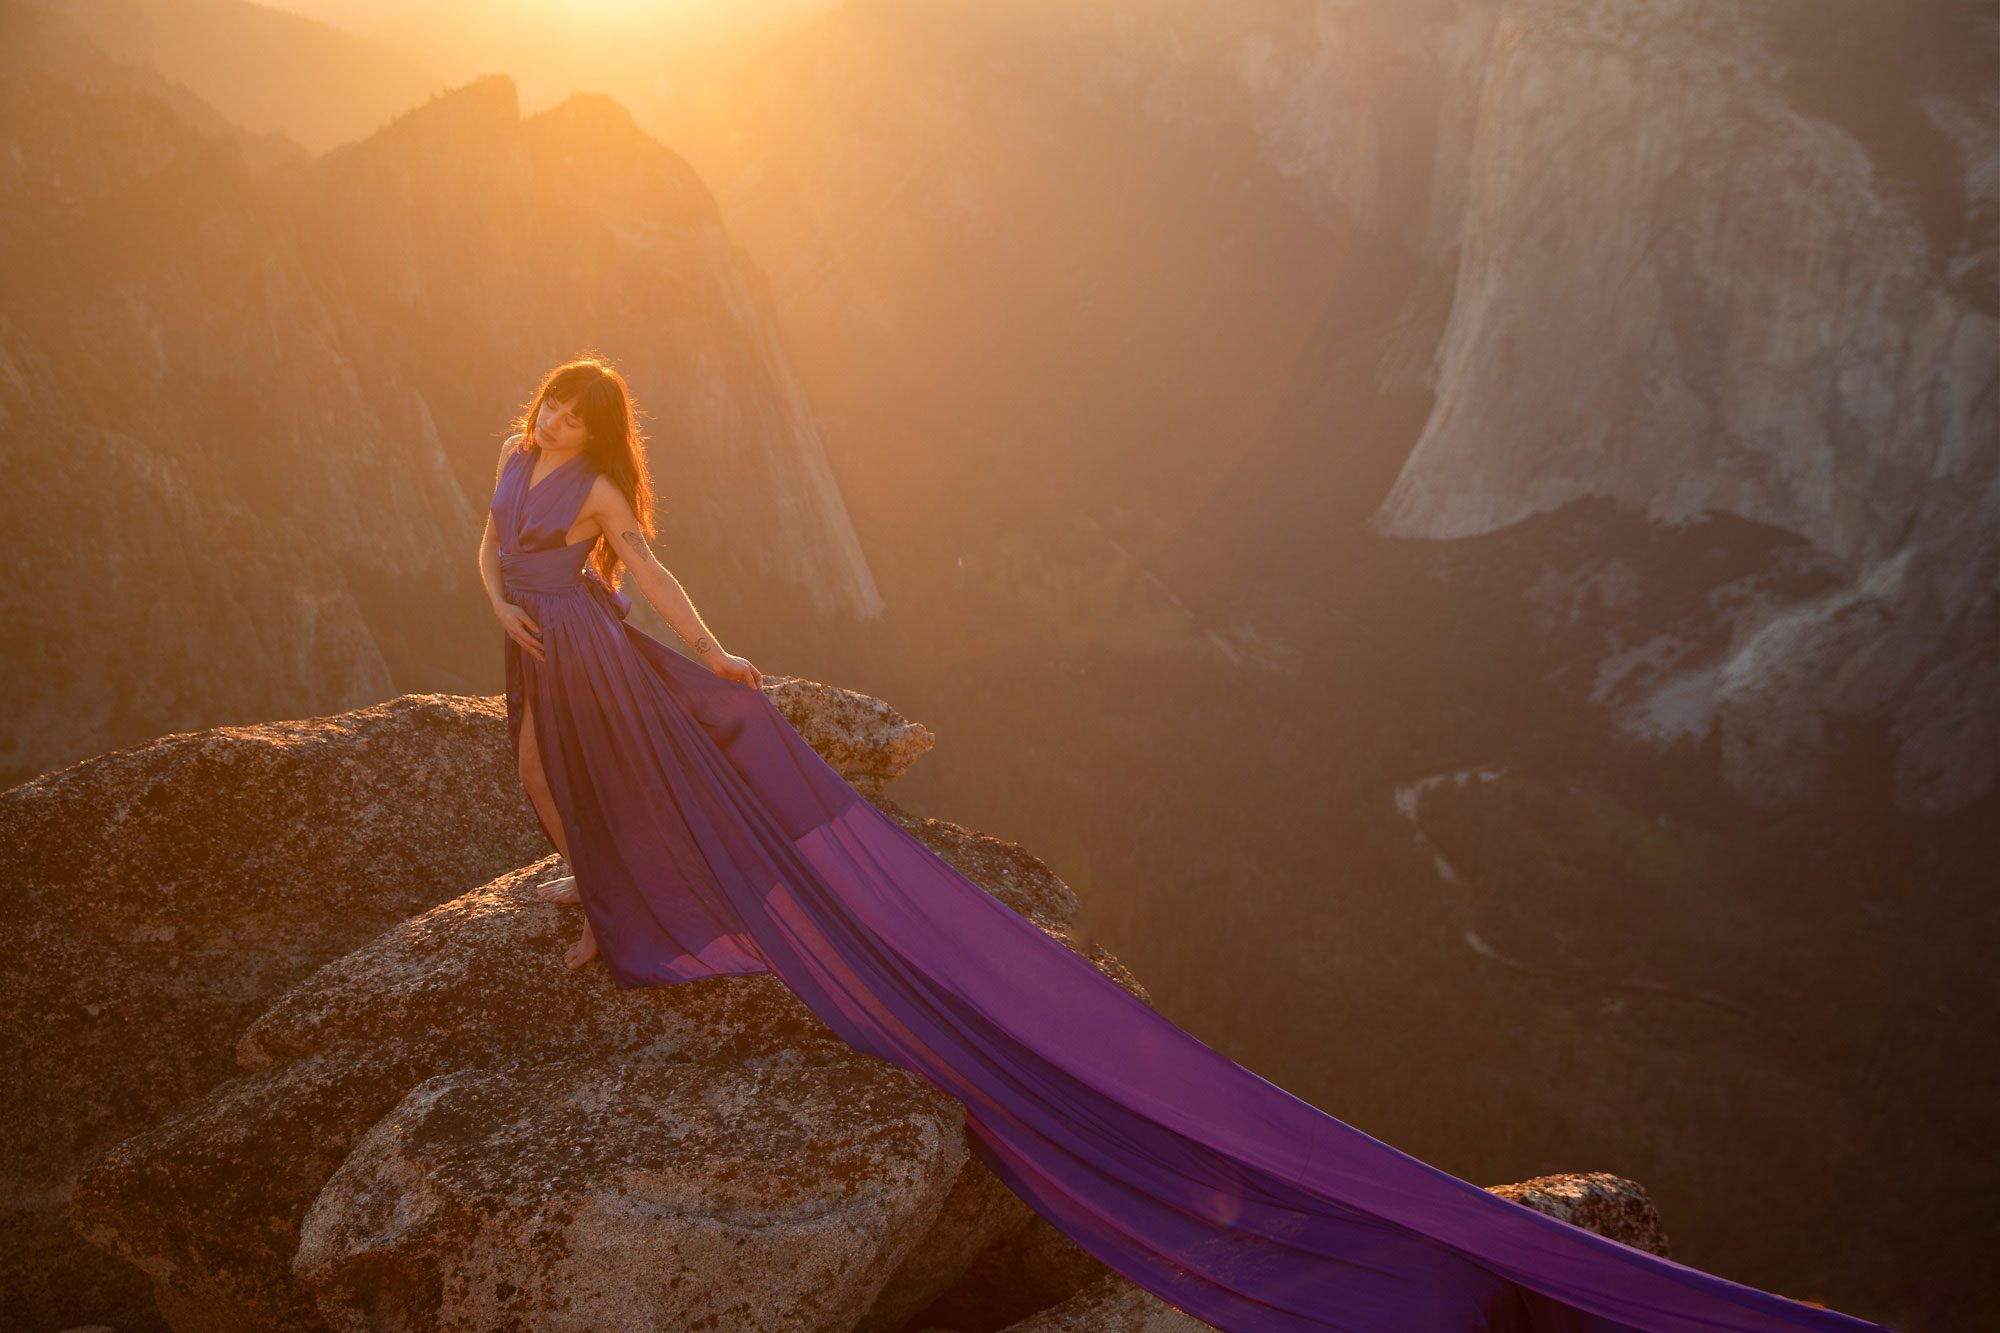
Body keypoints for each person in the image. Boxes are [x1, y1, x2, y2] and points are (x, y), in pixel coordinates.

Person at [478, 355, 1895, 1332]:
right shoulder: (510, 466)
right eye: (543, 401)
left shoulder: (599, 497)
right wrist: (504, 608)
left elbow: (654, 576)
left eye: (568, 411)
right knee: (545, 776)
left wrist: (722, 660)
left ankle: (626, 909)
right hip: (544, 657)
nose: (547, 419)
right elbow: (489, 553)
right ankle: (609, 893)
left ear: (598, 431)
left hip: (605, 659)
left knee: (602, 780)